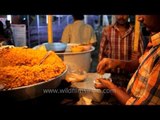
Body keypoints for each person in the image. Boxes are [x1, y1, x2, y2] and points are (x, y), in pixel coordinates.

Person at [95, 15, 160, 105]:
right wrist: (113, 63)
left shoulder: (136, 33)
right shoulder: (108, 31)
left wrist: (110, 87)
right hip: (112, 77)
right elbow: (143, 61)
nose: (139, 18)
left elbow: (140, 62)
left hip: (127, 79)